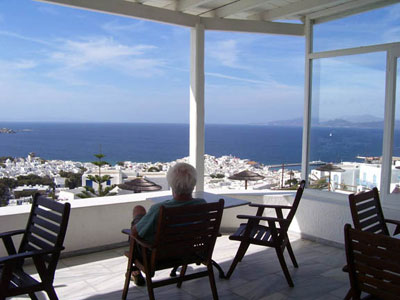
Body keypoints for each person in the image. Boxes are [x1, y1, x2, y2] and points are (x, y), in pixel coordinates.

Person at [129, 162, 206, 285]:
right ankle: (135, 271)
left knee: (138, 211)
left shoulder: (160, 209)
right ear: (193, 183)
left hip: (160, 256)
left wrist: (138, 221)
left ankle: (135, 271)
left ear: (171, 184)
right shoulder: (202, 204)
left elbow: (134, 233)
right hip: (190, 252)